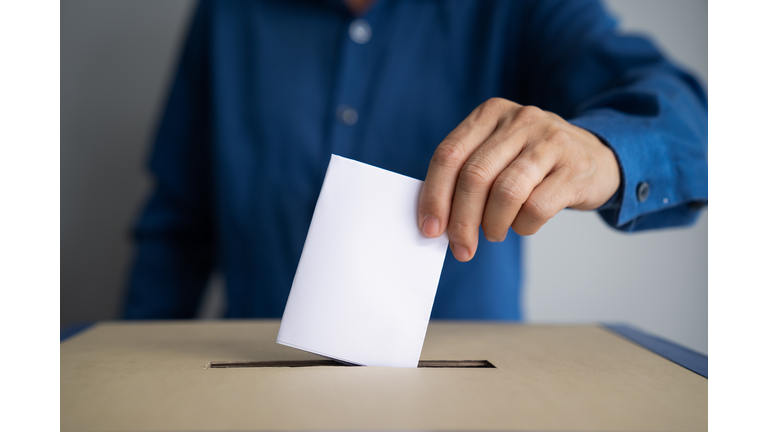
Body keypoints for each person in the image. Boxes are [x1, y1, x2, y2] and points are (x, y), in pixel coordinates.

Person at [124, 0, 707, 320]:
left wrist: (602, 151)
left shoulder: (521, 8)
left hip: (469, 391)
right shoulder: (227, 13)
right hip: (251, 384)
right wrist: (132, 368)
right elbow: (177, 225)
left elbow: (695, 125)